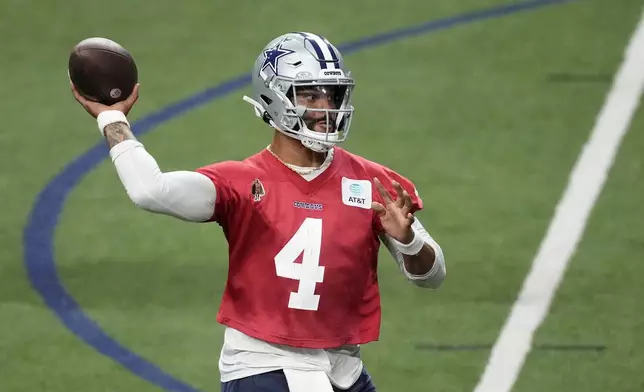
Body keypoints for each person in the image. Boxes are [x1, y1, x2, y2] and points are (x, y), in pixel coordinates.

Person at [71, 32, 446, 392]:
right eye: (309, 96)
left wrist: (409, 241)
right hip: (265, 364)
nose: (325, 108)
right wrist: (112, 119)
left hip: (343, 368)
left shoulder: (372, 182)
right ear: (276, 98)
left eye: (331, 95)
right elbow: (150, 190)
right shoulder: (241, 183)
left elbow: (431, 276)